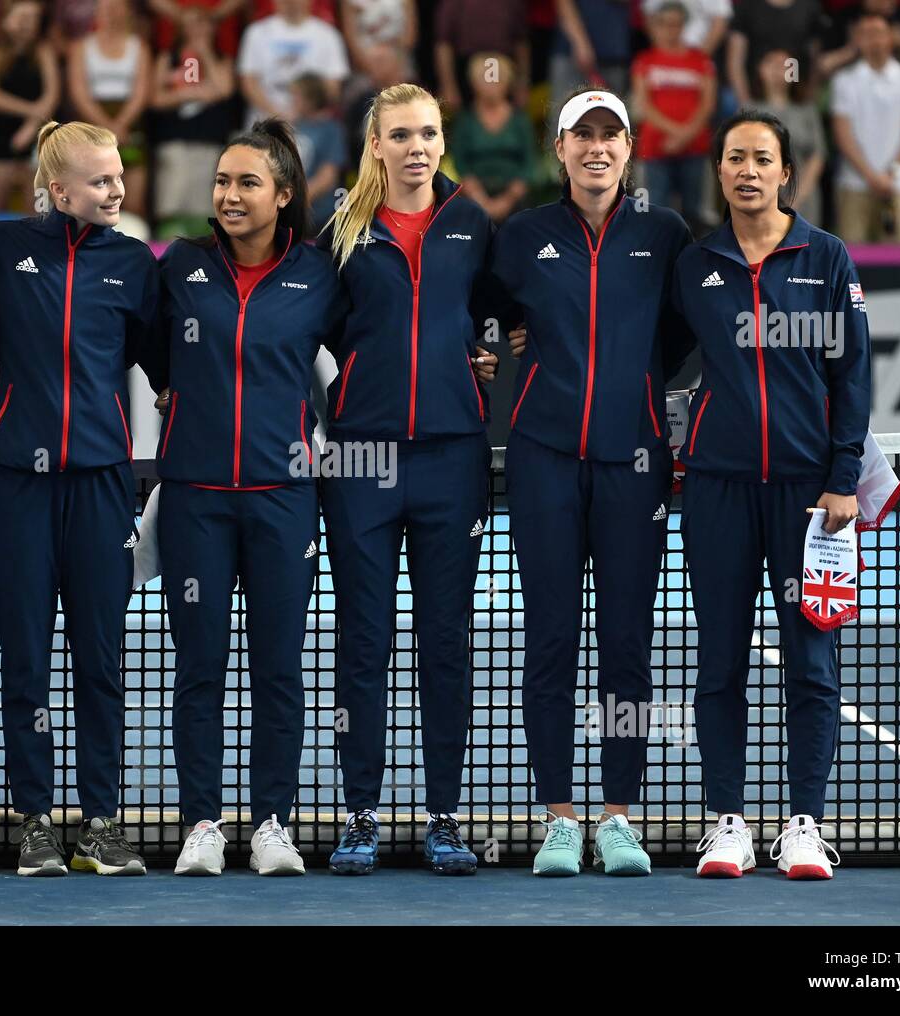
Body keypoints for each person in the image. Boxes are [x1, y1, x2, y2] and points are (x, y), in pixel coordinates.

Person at [490, 88, 693, 877]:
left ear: (630, 149)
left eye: (612, 136)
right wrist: (503, 344)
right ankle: (559, 820)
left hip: (635, 466)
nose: (597, 148)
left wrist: (635, 389)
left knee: (626, 646)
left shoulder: (666, 234)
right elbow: (482, 309)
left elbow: (679, 335)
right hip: (542, 460)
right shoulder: (524, 237)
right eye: (583, 135)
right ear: (561, 149)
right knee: (548, 640)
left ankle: (616, 816)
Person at [673, 109, 871, 880]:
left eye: (762, 158)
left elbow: (851, 373)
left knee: (811, 661)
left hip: (810, 498)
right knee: (719, 660)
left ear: (786, 171)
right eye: (734, 159)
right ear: (719, 172)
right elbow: (640, 347)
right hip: (718, 490)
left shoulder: (827, 257)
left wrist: (842, 477)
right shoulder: (695, 265)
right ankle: (727, 820)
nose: (747, 171)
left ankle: (803, 825)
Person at [152, 119, 346, 876]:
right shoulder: (180, 267)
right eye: (223, 183)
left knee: (279, 668)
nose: (230, 196)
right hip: (195, 497)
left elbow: (373, 343)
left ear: (284, 194)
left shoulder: (319, 274)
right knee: (197, 666)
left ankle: (272, 824)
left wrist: (486, 354)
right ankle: (203, 822)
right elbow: (137, 340)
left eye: (247, 183)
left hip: (283, 500)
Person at [316, 81, 501, 876]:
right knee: (363, 641)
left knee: (446, 642)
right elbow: (302, 326)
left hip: (454, 460)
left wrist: (485, 359)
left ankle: (445, 817)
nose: (417, 147)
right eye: (401, 135)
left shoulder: (472, 224)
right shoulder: (337, 227)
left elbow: (497, 316)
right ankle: (361, 814)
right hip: (361, 461)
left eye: (429, 132)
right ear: (376, 145)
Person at [0, 121, 163, 876]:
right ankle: (34, 820)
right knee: (25, 658)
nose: (118, 190)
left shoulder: (134, 265)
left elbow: (168, 369)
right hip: (14, 484)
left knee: (101, 660)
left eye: (119, 176)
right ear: (58, 190)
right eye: (101, 181)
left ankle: (102, 823)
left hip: (102, 486)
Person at [830, 12, 900, 245]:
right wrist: (870, 176)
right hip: (854, 183)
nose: (873, 40)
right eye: (865, 34)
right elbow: (842, 133)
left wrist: (891, 173)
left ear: (891, 37)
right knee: (851, 263)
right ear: (856, 39)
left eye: (878, 33)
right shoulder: (844, 80)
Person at [630, 1, 716, 232]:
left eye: (676, 24)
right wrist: (678, 133)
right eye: (665, 25)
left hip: (695, 147)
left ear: (684, 26)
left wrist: (685, 135)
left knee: (694, 215)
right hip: (656, 148)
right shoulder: (644, 61)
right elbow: (643, 105)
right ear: (655, 27)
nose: (671, 30)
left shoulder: (701, 60)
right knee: (653, 213)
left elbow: (708, 104)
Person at [149, 7, 239, 227]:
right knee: (172, 201)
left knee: (205, 204)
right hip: (174, 140)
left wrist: (205, 53)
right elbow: (155, 98)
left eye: (202, 23)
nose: (197, 29)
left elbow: (224, 88)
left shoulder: (221, 57)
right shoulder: (168, 57)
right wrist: (189, 93)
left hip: (209, 140)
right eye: (191, 24)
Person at [66, 0, 153, 219]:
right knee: (93, 194)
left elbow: (141, 92)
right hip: (92, 124)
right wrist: (108, 127)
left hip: (129, 123)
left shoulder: (139, 46)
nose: (111, 14)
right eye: (106, 9)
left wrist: (120, 125)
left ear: (127, 13)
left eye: (117, 9)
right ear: (97, 13)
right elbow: (79, 93)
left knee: (133, 199)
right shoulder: (81, 47)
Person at [0, 0, 59, 211]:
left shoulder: (44, 52)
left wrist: (31, 126)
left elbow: (51, 96)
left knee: (37, 210)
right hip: (0, 138)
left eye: (32, 19)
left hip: (37, 139)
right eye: (21, 17)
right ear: (5, 20)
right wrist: (33, 110)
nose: (26, 24)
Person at [450, 52, 535, 225]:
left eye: (496, 79)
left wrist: (507, 200)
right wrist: (481, 200)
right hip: (474, 198)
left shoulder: (520, 120)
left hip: (515, 200)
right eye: (485, 79)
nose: (491, 85)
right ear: (473, 83)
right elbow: (460, 164)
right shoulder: (465, 121)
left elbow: (529, 164)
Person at [237, 0, 349, 124]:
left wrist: (300, 112)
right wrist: (277, 115)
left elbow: (332, 88)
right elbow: (249, 83)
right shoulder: (255, 32)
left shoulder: (329, 35)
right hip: (263, 125)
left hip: (311, 127)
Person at [753, 48, 825, 226]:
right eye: (773, 63)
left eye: (786, 65)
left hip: (803, 195)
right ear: (761, 70)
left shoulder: (807, 110)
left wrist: (799, 195)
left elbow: (818, 154)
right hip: (759, 196)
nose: (779, 69)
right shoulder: (749, 109)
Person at [288, 74, 349, 234]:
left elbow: (328, 177)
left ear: (311, 99)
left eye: (296, 96)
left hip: (321, 216)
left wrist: (297, 202)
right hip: (295, 215)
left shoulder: (331, 129)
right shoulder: (295, 126)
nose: (292, 101)